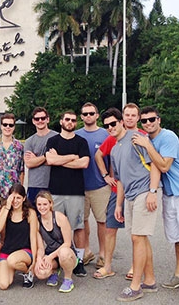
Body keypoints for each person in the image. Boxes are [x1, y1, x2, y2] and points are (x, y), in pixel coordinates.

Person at [132, 106, 179, 301]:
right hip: (169, 194)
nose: (148, 123)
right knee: (177, 236)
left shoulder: (168, 137)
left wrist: (147, 145)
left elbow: (164, 166)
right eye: (144, 121)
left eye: (152, 119)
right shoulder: (147, 139)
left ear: (159, 120)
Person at [101, 108, 161, 302]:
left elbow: (154, 166)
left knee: (137, 238)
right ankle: (149, 281)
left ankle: (135, 287)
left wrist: (152, 192)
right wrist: (119, 205)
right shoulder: (115, 148)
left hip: (145, 192)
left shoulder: (137, 139)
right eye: (107, 125)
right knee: (140, 239)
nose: (110, 127)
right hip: (129, 197)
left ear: (121, 122)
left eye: (113, 123)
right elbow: (120, 180)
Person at [94, 103, 141, 280]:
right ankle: (107, 266)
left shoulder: (141, 137)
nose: (129, 118)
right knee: (110, 228)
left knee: (136, 233)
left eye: (132, 115)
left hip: (137, 191)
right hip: (116, 190)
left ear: (137, 117)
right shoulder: (112, 138)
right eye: (126, 114)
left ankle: (135, 267)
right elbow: (98, 155)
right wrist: (106, 175)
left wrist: (152, 190)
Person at [45, 110, 90, 277]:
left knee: (78, 227)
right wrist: (72, 157)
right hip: (55, 192)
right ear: (61, 121)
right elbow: (50, 160)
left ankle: (79, 261)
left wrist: (60, 160)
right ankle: (56, 260)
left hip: (75, 192)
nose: (70, 122)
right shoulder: (52, 140)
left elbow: (84, 163)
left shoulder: (81, 142)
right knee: (54, 228)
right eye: (67, 119)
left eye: (73, 120)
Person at [75, 102, 109, 269]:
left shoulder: (105, 134)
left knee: (102, 222)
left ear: (97, 115)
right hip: (79, 187)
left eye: (91, 113)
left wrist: (109, 177)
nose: (88, 116)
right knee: (82, 222)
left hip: (100, 186)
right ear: (81, 116)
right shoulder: (75, 135)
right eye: (85, 113)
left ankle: (103, 255)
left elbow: (112, 159)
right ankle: (86, 251)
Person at [34, 191, 78, 293]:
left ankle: (68, 279)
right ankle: (54, 270)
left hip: (67, 252)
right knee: (40, 273)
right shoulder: (37, 221)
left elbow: (67, 243)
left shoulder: (59, 217)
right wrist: (39, 259)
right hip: (51, 253)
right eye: (39, 204)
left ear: (51, 204)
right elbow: (40, 247)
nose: (42, 207)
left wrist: (50, 257)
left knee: (64, 254)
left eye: (45, 204)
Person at [0, 184, 38, 290]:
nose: (15, 201)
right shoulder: (5, 210)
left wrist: (35, 260)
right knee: (4, 284)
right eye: (12, 197)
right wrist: (7, 207)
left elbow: (33, 237)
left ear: (24, 198)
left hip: (25, 251)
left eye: (18, 197)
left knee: (12, 260)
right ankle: (17, 269)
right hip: (8, 250)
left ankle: (28, 272)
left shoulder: (30, 213)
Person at [24, 107, 58, 207]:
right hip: (34, 185)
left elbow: (57, 161)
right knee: (33, 216)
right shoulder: (29, 141)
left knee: (52, 217)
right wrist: (46, 156)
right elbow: (29, 163)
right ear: (33, 121)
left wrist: (36, 159)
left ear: (48, 119)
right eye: (37, 119)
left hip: (52, 184)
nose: (40, 121)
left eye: (43, 118)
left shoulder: (57, 137)